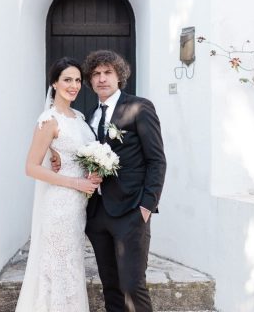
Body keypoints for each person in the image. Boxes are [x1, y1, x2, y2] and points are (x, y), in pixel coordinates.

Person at [82, 50, 167, 312]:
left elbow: (156, 160)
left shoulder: (139, 107)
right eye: (96, 74)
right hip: (98, 215)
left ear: (120, 76)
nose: (101, 78)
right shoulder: (90, 115)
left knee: (132, 285)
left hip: (131, 211)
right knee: (111, 287)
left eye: (108, 72)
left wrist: (146, 206)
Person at [15, 57, 100, 312]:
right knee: (58, 269)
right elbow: (30, 167)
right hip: (59, 207)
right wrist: (74, 181)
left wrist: (95, 172)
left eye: (77, 80)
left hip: (78, 207)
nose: (73, 85)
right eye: (67, 80)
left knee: (71, 266)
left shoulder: (80, 118)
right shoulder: (48, 120)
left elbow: (80, 156)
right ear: (54, 82)